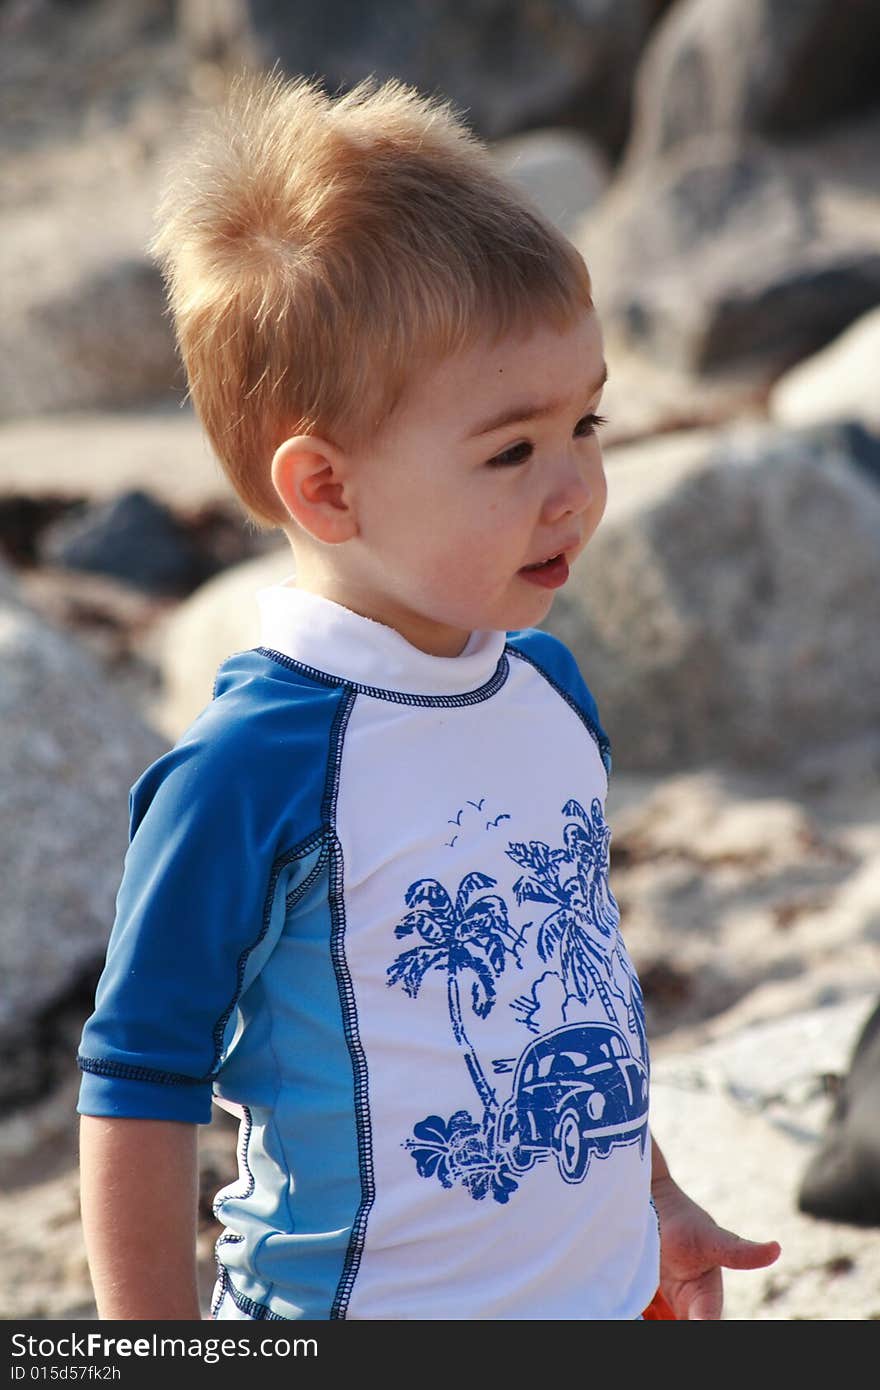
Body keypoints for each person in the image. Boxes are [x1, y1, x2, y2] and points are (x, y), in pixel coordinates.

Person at [76, 68, 780, 1322]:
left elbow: (571, 991)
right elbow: (138, 1080)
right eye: (512, 449)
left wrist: (648, 1206)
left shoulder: (548, 690)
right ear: (327, 492)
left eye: (588, 422)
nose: (573, 488)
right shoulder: (252, 768)